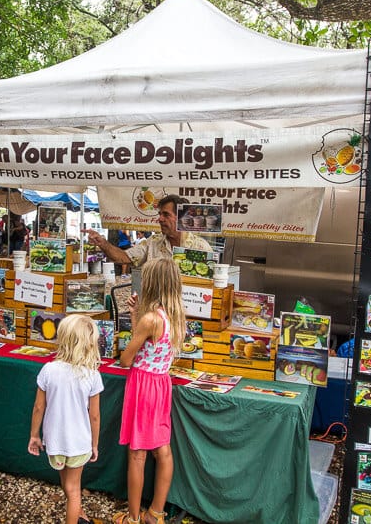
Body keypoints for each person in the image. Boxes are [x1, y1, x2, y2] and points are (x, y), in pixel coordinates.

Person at [113, 258, 186, 524]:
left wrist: (137, 321)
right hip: (161, 384)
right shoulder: (174, 316)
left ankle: (132, 517)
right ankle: (156, 513)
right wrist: (136, 317)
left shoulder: (150, 319)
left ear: (151, 283)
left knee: (137, 453)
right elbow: (151, 347)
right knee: (162, 449)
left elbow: (126, 359)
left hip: (142, 386)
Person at [28, 314, 103, 524]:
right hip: (79, 442)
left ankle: (78, 513)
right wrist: (95, 443)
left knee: (66, 483)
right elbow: (95, 416)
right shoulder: (92, 375)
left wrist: (34, 435)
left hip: (55, 441)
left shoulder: (48, 370)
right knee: (74, 489)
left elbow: (38, 407)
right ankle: (76, 513)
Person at [83, 195, 211, 268]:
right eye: (159, 214)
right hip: (154, 310)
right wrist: (103, 243)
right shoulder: (153, 242)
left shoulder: (200, 247)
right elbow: (123, 257)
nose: (160, 219)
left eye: (166, 214)